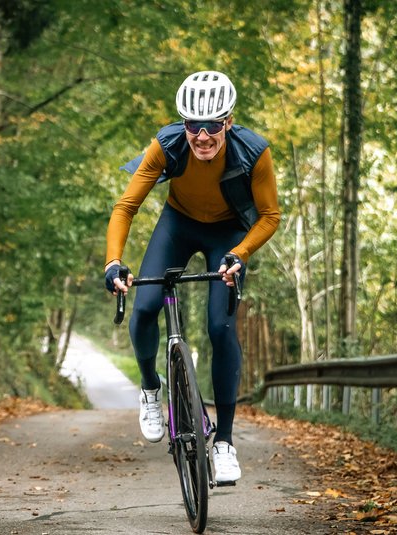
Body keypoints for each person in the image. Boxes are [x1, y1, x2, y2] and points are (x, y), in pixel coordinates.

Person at [103, 70, 280, 484]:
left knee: (221, 329)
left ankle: (225, 444)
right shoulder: (165, 146)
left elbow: (270, 216)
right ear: (183, 124)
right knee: (144, 307)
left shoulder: (253, 152)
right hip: (177, 225)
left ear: (228, 122)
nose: (201, 136)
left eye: (212, 126)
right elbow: (125, 207)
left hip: (230, 234)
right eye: (192, 126)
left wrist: (240, 253)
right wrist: (113, 262)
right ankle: (151, 388)